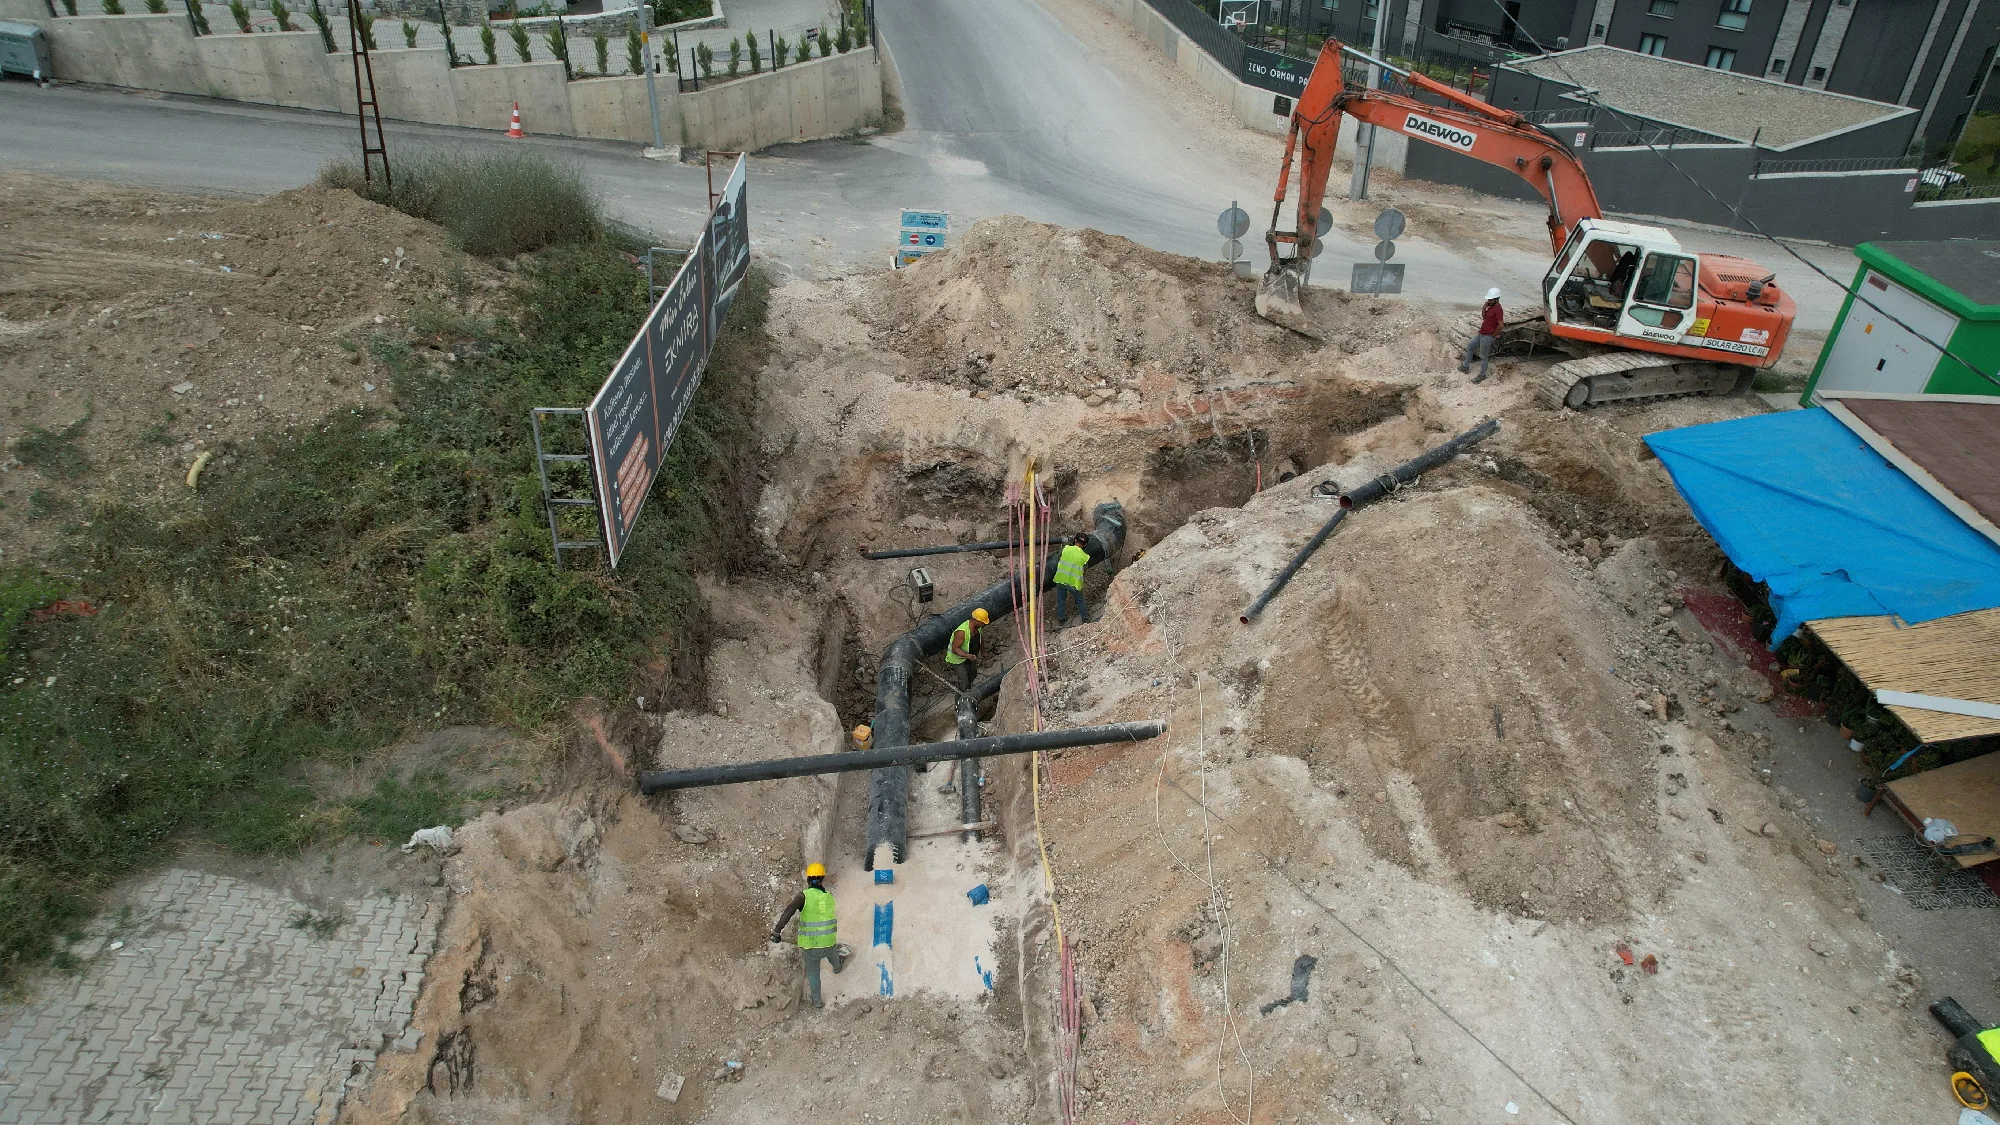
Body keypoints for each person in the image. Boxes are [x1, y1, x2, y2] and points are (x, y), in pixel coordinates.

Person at [771, 862, 848, 1008]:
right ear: (822, 879)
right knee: (833, 955)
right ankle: (837, 967)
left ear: (808, 879)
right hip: (829, 941)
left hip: (811, 946)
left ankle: (817, 1002)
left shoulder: (803, 896)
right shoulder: (829, 897)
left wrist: (777, 930)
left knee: (813, 974)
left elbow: (789, 911)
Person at [1457, 287, 1503, 383]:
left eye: (1490, 300)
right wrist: (1484, 308)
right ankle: (1465, 366)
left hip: (1488, 336)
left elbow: (1501, 325)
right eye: (1488, 299)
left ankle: (1482, 374)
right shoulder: (1491, 307)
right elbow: (1484, 317)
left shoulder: (1498, 309)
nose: (1488, 301)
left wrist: (1493, 335)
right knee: (1470, 345)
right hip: (1482, 333)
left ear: (1497, 299)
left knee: (1483, 356)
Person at [1053, 533, 1091, 627]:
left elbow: (1058, 559)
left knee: (1061, 600)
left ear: (1075, 540)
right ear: (1085, 544)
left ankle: (1061, 619)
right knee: (1080, 600)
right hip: (1073, 583)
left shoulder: (1065, 549)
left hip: (1060, 579)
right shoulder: (1084, 557)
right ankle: (1085, 618)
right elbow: (1084, 571)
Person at [945, 607, 987, 691]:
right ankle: (960, 701)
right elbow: (955, 649)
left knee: (973, 675)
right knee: (964, 683)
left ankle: (969, 693)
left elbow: (980, 638)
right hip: (958, 659)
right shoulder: (962, 632)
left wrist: (983, 651)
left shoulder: (978, 627)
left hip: (970, 656)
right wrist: (967, 656)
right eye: (982, 622)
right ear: (976, 621)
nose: (984, 624)